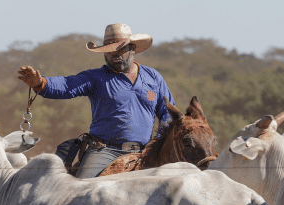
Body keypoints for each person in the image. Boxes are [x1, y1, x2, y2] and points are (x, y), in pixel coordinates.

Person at [17, 23, 176, 178]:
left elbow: (169, 113)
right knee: (81, 189)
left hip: (144, 152)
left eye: (120, 48)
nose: (115, 53)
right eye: (109, 50)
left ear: (132, 48)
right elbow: (67, 85)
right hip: (104, 151)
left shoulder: (153, 77)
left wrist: (157, 143)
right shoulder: (95, 77)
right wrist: (41, 83)